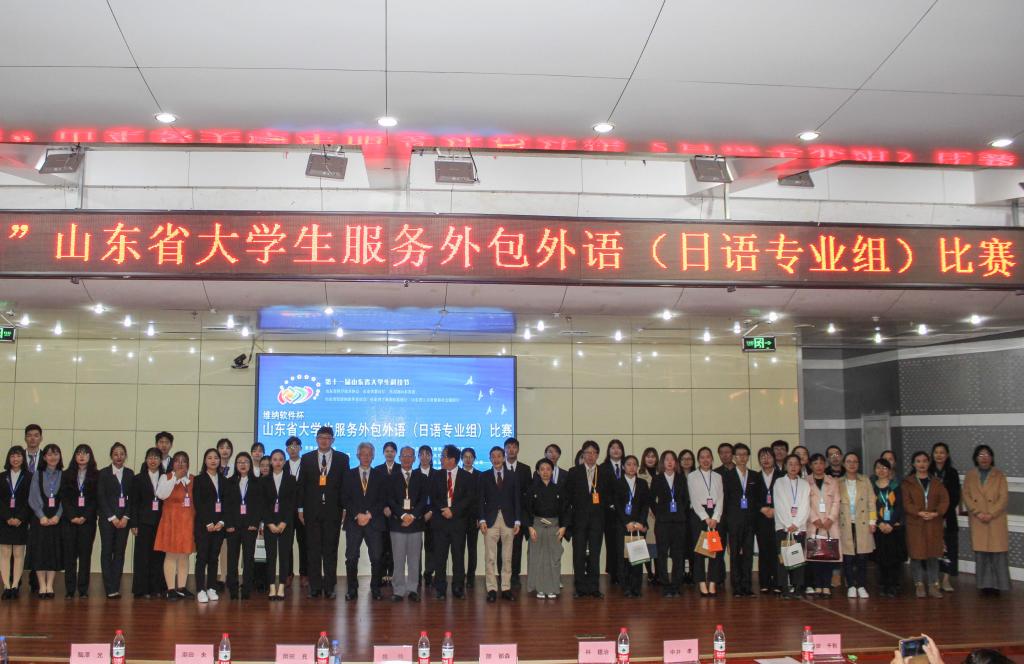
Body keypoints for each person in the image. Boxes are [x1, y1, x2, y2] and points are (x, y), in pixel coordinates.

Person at [297, 426, 349, 599]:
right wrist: (300, 509)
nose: (324, 440)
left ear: (333, 440)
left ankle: (329, 586)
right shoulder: (307, 458)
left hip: (333, 510)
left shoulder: (342, 458)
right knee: (313, 549)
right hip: (311, 510)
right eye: (321, 437)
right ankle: (315, 586)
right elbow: (302, 486)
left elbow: (344, 486)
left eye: (328, 437)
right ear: (316, 439)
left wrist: (344, 508)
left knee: (330, 549)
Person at [961, 444, 1010, 594]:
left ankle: (999, 585)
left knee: (998, 554)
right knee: (982, 554)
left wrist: (991, 514)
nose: (984, 458)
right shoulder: (970, 475)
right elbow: (966, 496)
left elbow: (1003, 497)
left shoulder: (999, 475)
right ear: (976, 458)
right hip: (978, 519)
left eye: (987, 454)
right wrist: (978, 512)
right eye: (981, 455)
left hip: (996, 519)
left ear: (992, 457)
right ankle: (984, 585)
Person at [566, 440, 612, 598]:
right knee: (578, 554)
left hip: (597, 521)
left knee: (594, 554)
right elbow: (568, 497)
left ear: (598, 455)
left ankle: (594, 587)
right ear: (583, 454)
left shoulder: (604, 472)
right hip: (579, 521)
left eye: (594, 453)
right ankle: (579, 587)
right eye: (587, 453)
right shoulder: (574, 472)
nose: (591, 456)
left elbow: (609, 496)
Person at [342, 442, 387, 601]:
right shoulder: (348, 475)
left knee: (376, 557)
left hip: (374, 522)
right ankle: (352, 589)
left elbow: (383, 499)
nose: (366, 457)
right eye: (363, 454)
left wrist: (369, 515)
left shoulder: (380, 475)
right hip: (354, 522)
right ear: (357, 456)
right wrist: (357, 514)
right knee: (351, 557)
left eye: (369, 454)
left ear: (373, 456)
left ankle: (375, 588)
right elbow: (344, 498)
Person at [904, 450, 950, 599]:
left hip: (933, 523)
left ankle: (933, 585)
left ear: (929, 463)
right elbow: (906, 502)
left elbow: (945, 500)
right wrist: (918, 512)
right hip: (915, 523)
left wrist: (936, 513)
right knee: (916, 555)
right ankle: (919, 584)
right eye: (918, 461)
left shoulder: (936, 482)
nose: (922, 464)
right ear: (913, 464)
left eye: (924, 461)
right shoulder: (908, 482)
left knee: (933, 555)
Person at [479, 446, 521, 602]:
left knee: (507, 557)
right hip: (490, 521)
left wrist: (518, 520)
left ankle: (506, 588)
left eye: (499, 456)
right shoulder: (484, 476)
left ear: (503, 458)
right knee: (490, 557)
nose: (496, 459)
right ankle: (491, 589)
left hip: (509, 520)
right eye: (493, 456)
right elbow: (480, 500)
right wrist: (482, 519)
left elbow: (517, 499)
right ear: (490, 459)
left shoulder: (512, 476)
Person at [430, 444, 473, 599]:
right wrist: (444, 509)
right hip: (440, 522)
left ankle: (458, 587)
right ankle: (440, 589)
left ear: (452, 460)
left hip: (458, 522)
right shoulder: (436, 475)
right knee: (440, 557)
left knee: (458, 557)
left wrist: (453, 510)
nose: (441, 459)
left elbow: (468, 499)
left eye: (443, 456)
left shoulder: (466, 477)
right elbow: (433, 497)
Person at [388, 446, 428, 602]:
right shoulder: (392, 477)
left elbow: (423, 500)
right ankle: (398, 590)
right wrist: (403, 515)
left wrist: (412, 516)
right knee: (398, 560)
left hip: (415, 524)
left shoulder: (421, 478)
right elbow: (390, 500)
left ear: (414, 459)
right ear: (399, 458)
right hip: (397, 523)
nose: (406, 458)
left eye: (409, 456)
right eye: (403, 455)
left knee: (414, 559)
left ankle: (412, 589)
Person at [155, 451, 195, 600]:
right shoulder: (166, 477)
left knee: (184, 555)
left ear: (188, 464)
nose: (180, 463)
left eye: (184, 461)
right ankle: (171, 589)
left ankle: (182, 587)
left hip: (188, 522)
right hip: (171, 522)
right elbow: (161, 494)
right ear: (173, 463)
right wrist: (175, 478)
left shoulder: (193, 479)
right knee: (171, 555)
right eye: (177, 461)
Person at [61, 443, 99, 598]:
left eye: (85, 453)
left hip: (87, 521)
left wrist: (85, 516)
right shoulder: (66, 475)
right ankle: (70, 590)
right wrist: (72, 516)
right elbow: (64, 498)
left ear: (90, 456)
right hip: (69, 521)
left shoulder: (96, 475)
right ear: (75, 456)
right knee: (69, 556)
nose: (82, 456)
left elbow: (96, 499)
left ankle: (83, 589)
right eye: (79, 453)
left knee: (85, 556)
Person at [525, 458, 566, 599]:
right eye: (542, 469)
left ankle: (552, 588)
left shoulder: (559, 489)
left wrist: (563, 527)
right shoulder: (532, 489)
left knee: (553, 558)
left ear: (552, 471)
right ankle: (540, 588)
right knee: (537, 557)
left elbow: (565, 509)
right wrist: (530, 527)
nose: (545, 472)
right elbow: (527, 510)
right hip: (537, 525)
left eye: (548, 469)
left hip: (554, 526)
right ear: (537, 472)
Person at [97, 442, 134, 598]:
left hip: (124, 520)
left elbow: (132, 498)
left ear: (125, 456)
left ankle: (116, 585)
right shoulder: (103, 473)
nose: (119, 457)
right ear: (111, 456)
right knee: (107, 551)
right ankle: (109, 587)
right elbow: (101, 497)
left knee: (119, 552)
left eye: (122, 454)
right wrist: (112, 517)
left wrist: (125, 517)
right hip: (107, 520)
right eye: (116, 454)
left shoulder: (130, 474)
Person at [28, 443, 64, 598]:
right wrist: (41, 515)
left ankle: (50, 585)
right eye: (49, 454)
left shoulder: (64, 475)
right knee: (40, 552)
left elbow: (65, 499)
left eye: (56, 454)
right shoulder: (38, 474)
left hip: (56, 519)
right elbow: (33, 497)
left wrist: (58, 516)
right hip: (40, 519)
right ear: (44, 457)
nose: (52, 457)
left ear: (60, 456)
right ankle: (42, 585)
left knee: (53, 552)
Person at [224, 452, 261, 599]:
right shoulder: (229, 482)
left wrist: (255, 523)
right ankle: (233, 588)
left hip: (250, 526)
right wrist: (228, 524)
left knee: (248, 558)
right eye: (240, 462)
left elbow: (259, 505)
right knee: (232, 559)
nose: (243, 464)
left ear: (250, 465)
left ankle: (246, 588)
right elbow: (226, 505)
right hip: (233, 526)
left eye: (246, 461)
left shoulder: (257, 482)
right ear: (236, 465)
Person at [723, 443, 758, 597]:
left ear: (748, 457)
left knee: (748, 555)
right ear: (734, 457)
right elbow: (725, 500)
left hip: (750, 522)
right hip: (733, 521)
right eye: (739, 455)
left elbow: (757, 500)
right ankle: (736, 586)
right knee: (735, 555)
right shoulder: (727, 476)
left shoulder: (755, 476)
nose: (742, 457)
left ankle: (747, 586)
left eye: (745, 454)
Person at [260, 449, 297, 600]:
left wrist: (284, 522)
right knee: (271, 556)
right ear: (270, 461)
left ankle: (281, 586)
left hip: (285, 524)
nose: (278, 462)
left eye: (281, 459)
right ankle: (271, 587)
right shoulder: (264, 480)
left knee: (284, 556)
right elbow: (262, 504)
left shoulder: (291, 479)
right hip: (269, 523)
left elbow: (292, 503)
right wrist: (269, 523)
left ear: (284, 461)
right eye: (275, 459)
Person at [688, 447, 724, 596]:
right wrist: (705, 518)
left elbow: (721, 498)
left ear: (712, 459)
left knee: (715, 550)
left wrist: (715, 517)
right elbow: (694, 499)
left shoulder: (717, 476)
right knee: (699, 551)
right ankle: (702, 583)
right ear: (698, 460)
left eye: (708, 457)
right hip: (698, 515)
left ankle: (713, 582)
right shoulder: (692, 476)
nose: (705, 460)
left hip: (715, 515)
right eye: (702, 457)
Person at [129, 447, 165, 598]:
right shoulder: (138, 478)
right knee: (142, 556)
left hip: (161, 522)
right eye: (150, 457)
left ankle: (157, 588)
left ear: (160, 460)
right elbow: (133, 503)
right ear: (146, 460)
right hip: (143, 522)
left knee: (158, 556)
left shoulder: (166, 478)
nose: (153, 460)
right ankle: (142, 589)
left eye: (156, 457)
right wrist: (133, 523)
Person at [838, 452, 875, 598]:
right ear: (844, 464)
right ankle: (851, 585)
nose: (852, 464)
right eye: (849, 461)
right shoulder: (838, 482)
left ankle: (861, 585)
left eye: (855, 461)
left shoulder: (865, 480)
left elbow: (871, 501)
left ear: (858, 464)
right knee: (847, 557)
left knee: (862, 556)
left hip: (862, 522)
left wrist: (872, 521)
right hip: (845, 523)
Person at [192, 448, 227, 603]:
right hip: (203, 525)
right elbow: (198, 503)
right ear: (205, 461)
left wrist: (221, 522)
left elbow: (227, 503)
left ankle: (212, 587)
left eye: (216, 458)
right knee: (202, 557)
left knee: (214, 557)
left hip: (219, 526)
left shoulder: (224, 480)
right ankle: (200, 589)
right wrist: (208, 522)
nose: (213, 460)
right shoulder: (199, 479)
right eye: (210, 458)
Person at [652, 450, 688, 597]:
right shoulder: (657, 479)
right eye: (667, 459)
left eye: (672, 459)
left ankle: (676, 585)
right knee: (662, 554)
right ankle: (666, 585)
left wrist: (680, 512)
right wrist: (659, 513)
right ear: (662, 462)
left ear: (676, 463)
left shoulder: (681, 478)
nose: (670, 462)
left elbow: (685, 499)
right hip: (662, 522)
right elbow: (651, 499)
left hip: (679, 522)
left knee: (678, 555)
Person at [774, 454, 810, 598]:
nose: (793, 467)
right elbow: (779, 504)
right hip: (783, 527)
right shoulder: (779, 482)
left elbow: (805, 506)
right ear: (785, 466)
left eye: (796, 464)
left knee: (798, 558)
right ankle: (784, 587)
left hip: (799, 528)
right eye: (790, 464)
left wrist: (797, 524)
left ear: (800, 467)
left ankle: (798, 586)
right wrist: (788, 524)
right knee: (783, 559)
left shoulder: (804, 484)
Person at [805, 453, 841, 598]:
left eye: (821, 463)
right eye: (815, 463)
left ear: (825, 465)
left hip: (829, 525)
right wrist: (814, 519)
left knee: (828, 556)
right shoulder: (805, 482)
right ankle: (817, 585)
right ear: (810, 466)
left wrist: (830, 519)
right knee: (815, 556)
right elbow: (804, 503)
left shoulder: (832, 481)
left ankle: (826, 585)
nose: (818, 466)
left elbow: (837, 502)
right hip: (813, 524)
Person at [614, 455, 650, 598]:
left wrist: (640, 522)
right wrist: (627, 522)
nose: (632, 467)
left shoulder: (642, 483)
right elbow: (617, 505)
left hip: (638, 526)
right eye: (628, 464)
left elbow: (645, 505)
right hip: (623, 525)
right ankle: (626, 587)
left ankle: (636, 587)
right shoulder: (617, 483)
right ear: (623, 467)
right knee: (623, 558)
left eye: (634, 464)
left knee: (637, 557)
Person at [871, 457, 905, 597]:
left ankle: (894, 584)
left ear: (890, 470)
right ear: (875, 470)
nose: (881, 470)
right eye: (878, 467)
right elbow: (870, 507)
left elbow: (899, 507)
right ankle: (883, 584)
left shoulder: (895, 486)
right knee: (881, 557)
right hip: (878, 527)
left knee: (894, 557)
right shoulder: (871, 487)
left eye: (885, 468)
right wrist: (879, 523)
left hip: (893, 527)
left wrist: (890, 524)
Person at [930, 442, 961, 593]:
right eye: (936, 452)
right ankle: (934, 579)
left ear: (947, 455)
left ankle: (946, 580)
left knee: (949, 549)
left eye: (942, 452)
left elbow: (955, 496)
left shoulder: (952, 473)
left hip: (948, 517)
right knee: (933, 550)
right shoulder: (928, 471)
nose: (939, 455)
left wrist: (942, 512)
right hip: (930, 517)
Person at [0, 446, 31, 599]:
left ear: (23, 458)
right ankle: (6, 585)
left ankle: (15, 586)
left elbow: (30, 500)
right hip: (4, 520)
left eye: (18, 456)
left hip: (21, 520)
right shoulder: (2, 476)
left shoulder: (29, 477)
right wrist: (7, 517)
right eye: (12, 456)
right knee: (5, 553)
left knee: (19, 553)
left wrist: (20, 518)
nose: (15, 459)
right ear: (8, 458)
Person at [502, 438, 532, 588]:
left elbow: (528, 494)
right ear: (504, 450)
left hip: (518, 516)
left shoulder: (525, 469)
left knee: (517, 548)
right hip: (501, 516)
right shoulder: (498, 467)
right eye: (508, 447)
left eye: (514, 447)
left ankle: (514, 576)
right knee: (501, 548)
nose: (511, 450)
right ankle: (502, 576)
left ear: (518, 450)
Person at [753, 446, 783, 594]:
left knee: (777, 551)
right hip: (761, 519)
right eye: (762, 457)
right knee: (764, 550)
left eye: (769, 456)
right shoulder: (754, 477)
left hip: (779, 518)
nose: (766, 460)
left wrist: (776, 509)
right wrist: (762, 508)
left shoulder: (782, 476)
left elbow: (786, 497)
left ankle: (778, 582)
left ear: (774, 458)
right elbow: (751, 498)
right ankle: (764, 582)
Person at [600, 439, 626, 584]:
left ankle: (625, 571)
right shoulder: (602, 468)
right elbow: (601, 490)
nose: (616, 450)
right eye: (613, 448)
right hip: (609, 512)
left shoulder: (628, 466)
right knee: (611, 543)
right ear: (608, 451)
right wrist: (611, 504)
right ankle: (614, 573)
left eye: (618, 448)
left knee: (625, 543)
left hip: (627, 512)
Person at [283, 435, 306, 588]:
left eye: (296, 446)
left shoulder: (307, 464)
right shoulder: (282, 465)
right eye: (290, 447)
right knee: (287, 543)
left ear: (300, 448)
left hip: (304, 510)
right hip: (287, 510)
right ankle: (288, 574)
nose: (293, 449)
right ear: (286, 449)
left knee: (304, 543)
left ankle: (304, 574)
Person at [376, 441, 399, 588]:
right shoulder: (377, 470)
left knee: (394, 547)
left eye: (392, 451)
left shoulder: (401, 468)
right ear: (383, 453)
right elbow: (376, 493)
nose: (389, 453)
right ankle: (382, 575)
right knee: (382, 546)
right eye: (387, 451)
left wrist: (393, 509)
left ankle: (392, 575)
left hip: (396, 515)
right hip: (381, 514)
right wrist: (384, 507)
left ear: (395, 453)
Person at [417, 445, 438, 588]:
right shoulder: (413, 473)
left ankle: (429, 573)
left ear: (431, 457)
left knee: (431, 546)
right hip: (417, 515)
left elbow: (439, 496)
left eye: (427, 454)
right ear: (418, 456)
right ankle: (416, 575)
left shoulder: (438, 474)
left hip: (433, 515)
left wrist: (431, 512)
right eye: (422, 454)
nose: (424, 457)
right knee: (416, 547)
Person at [638, 447, 659, 585]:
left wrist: (657, 508)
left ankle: (658, 573)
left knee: (657, 544)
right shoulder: (639, 475)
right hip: (644, 515)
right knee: (644, 544)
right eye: (648, 456)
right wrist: (649, 508)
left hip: (659, 514)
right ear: (644, 458)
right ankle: (649, 573)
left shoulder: (661, 474)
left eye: (653, 456)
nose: (650, 459)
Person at [460, 447, 480, 588]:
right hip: (459, 518)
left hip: (474, 518)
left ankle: (471, 577)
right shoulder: (457, 474)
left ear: (474, 458)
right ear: (461, 458)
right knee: (459, 549)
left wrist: (480, 517)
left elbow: (481, 498)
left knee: (472, 549)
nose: (468, 459)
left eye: (470, 457)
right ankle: (460, 576)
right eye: (465, 456)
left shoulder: (480, 475)